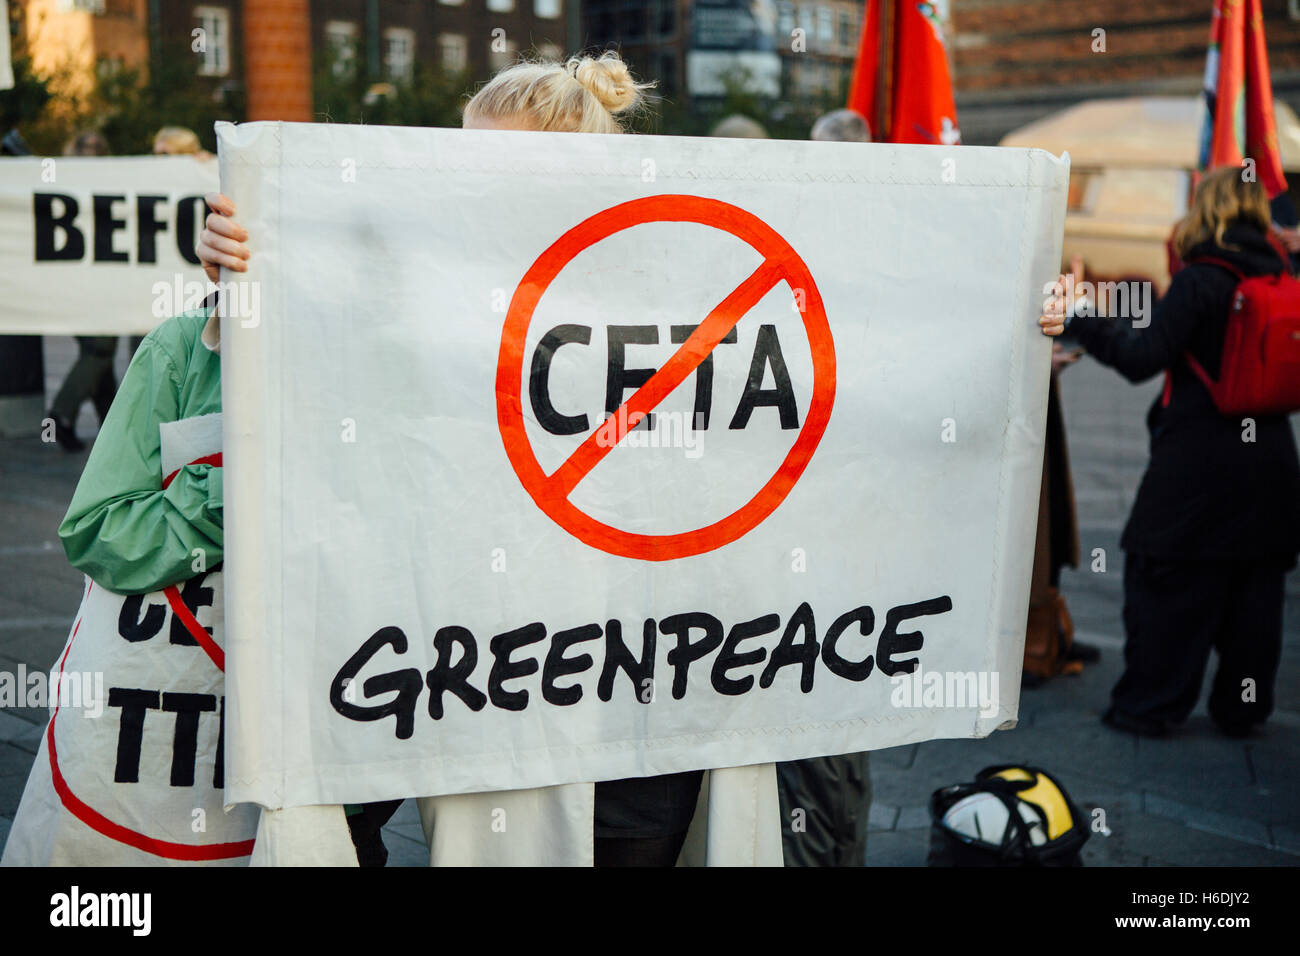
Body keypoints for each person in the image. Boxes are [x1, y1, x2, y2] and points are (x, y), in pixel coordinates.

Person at [198, 51, 1073, 866]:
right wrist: (244, 273)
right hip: (460, 650)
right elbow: (320, 363)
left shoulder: (683, 277)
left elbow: (876, 372)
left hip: (643, 662)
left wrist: (1010, 309)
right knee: (350, 813)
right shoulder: (412, 276)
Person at [1064, 166, 1300, 738]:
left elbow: (1143, 356)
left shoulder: (1201, 279)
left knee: (1165, 574)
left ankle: (1150, 704)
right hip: (1271, 457)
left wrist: (1082, 317)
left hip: (1198, 462)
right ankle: (1243, 706)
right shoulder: (1284, 273)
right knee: (1255, 587)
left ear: (1206, 210)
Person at [46, 131, 116, 452]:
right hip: (84, 282)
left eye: (96, 147)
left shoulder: (67, 177)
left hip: (86, 282)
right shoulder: (65, 179)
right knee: (99, 351)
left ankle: (113, 431)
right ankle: (60, 415)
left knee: (101, 358)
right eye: (87, 147)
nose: (92, 152)